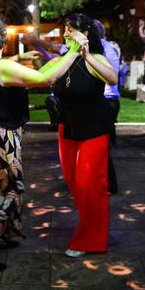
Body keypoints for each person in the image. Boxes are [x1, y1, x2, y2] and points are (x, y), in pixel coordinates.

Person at [0, 12, 84, 271]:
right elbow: (45, 79)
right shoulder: (2, 68)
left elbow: (2, 66)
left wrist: (19, 57)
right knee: (6, 192)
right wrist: (74, 54)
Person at [50, 14, 118, 258]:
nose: (65, 34)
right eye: (65, 30)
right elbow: (47, 77)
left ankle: (90, 239)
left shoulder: (96, 58)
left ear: (85, 33)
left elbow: (112, 78)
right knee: (75, 185)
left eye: (70, 30)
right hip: (67, 127)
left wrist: (87, 55)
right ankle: (91, 224)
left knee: (90, 185)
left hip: (93, 127)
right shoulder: (64, 58)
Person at [93, 20, 121, 194]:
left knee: (102, 145)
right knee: (101, 145)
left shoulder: (106, 50)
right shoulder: (103, 48)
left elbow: (111, 77)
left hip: (107, 100)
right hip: (105, 100)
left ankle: (110, 184)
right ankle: (103, 181)